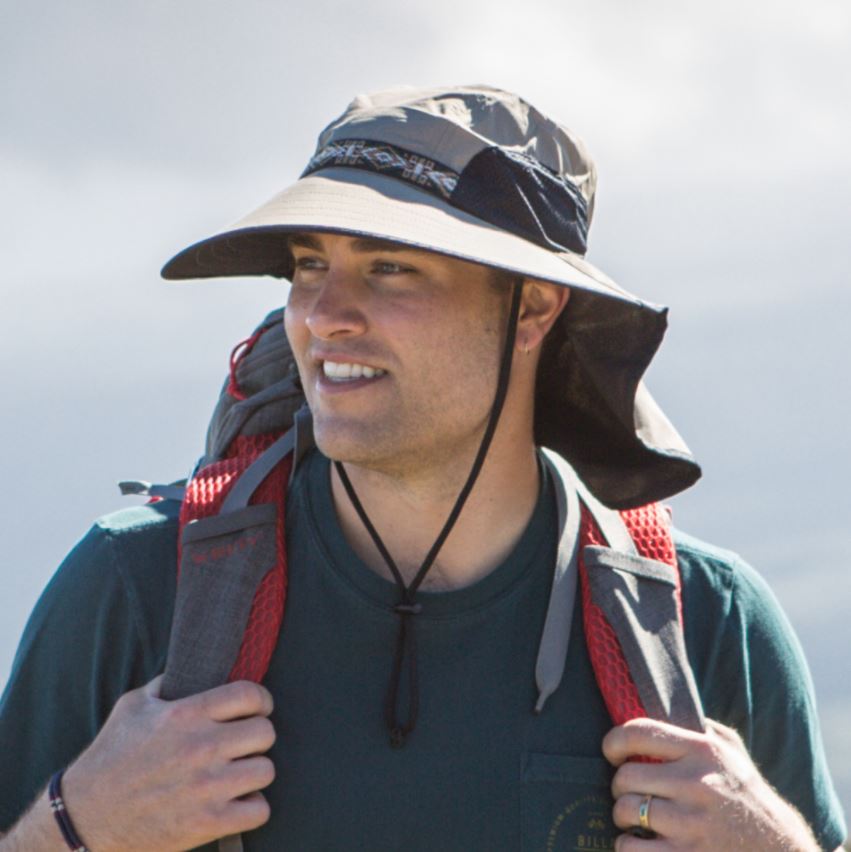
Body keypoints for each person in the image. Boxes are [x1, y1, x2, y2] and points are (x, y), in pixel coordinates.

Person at [0, 85, 845, 852]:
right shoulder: (140, 587)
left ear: (533, 307)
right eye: (308, 264)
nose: (324, 316)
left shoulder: (704, 622)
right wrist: (73, 829)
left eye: (390, 267)